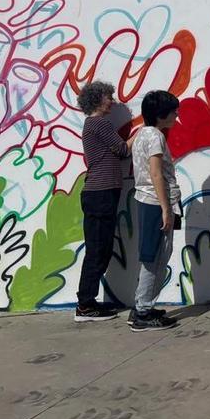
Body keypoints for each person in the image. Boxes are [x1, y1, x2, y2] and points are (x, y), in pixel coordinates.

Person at [74, 81, 137, 322]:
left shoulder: (94, 124)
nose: (111, 100)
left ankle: (87, 302)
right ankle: (85, 305)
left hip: (101, 193)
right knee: (98, 250)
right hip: (100, 193)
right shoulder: (99, 123)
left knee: (99, 249)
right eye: (107, 97)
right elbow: (122, 150)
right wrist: (142, 132)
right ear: (96, 100)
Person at [129, 90, 182, 331]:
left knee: (152, 254)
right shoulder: (155, 137)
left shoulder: (142, 133)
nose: (176, 114)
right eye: (173, 111)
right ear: (161, 115)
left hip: (147, 200)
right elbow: (156, 173)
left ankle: (142, 305)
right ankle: (143, 312)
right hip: (155, 202)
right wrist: (166, 209)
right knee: (157, 257)